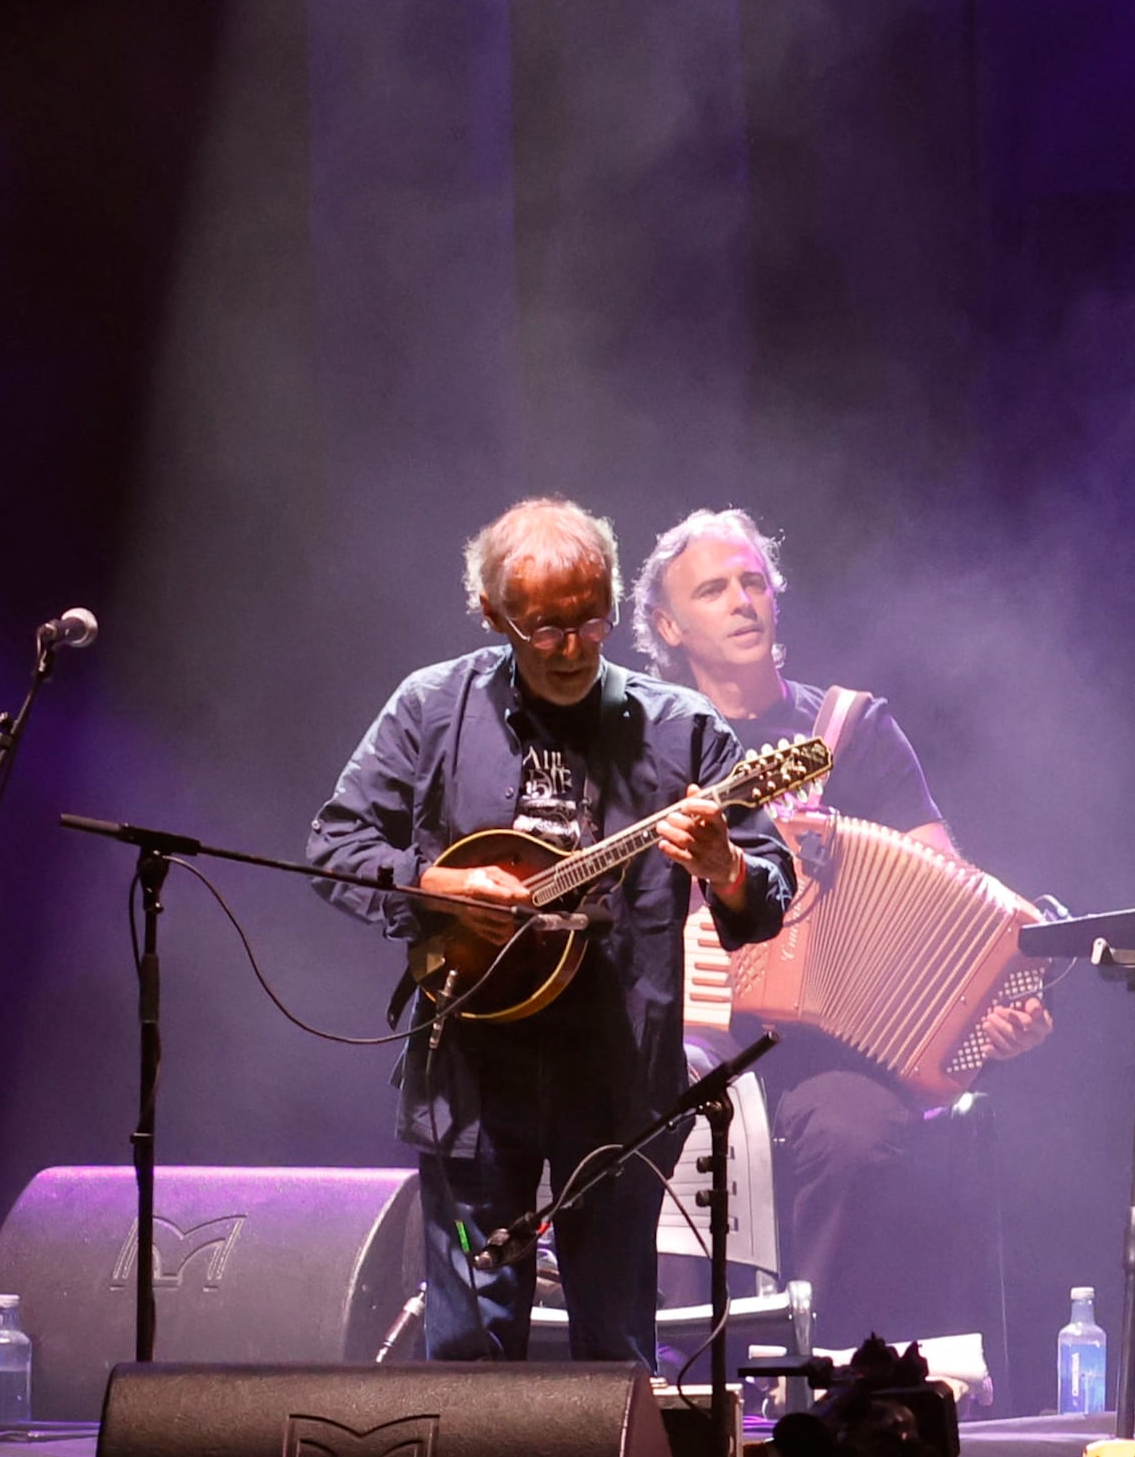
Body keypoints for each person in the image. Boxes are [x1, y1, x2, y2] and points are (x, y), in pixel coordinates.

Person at [310, 498, 800, 1371]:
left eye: (591, 618)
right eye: (546, 628)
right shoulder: (432, 708)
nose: (575, 647)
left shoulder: (681, 730)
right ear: (495, 616)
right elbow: (334, 847)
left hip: (614, 1074)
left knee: (614, 1349)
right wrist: (441, 884)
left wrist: (722, 866)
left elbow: (764, 892)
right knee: (466, 1347)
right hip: (469, 1073)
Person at [634, 509, 1050, 1350]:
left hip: (833, 1048)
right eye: (713, 590)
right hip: (691, 1034)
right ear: (669, 627)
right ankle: (681, 1374)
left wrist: (998, 1009)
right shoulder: (648, 741)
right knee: (664, 1128)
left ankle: (813, 1373)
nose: (742, 602)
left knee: (859, 1139)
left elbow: (951, 893)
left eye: (753, 582)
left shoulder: (849, 733)